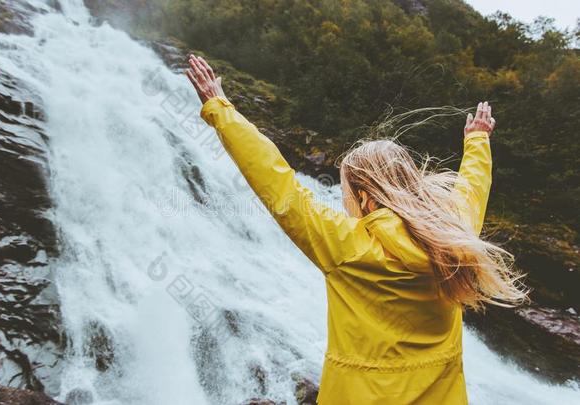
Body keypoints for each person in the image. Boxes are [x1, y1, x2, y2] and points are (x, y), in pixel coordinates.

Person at [185, 54, 527, 405]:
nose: (344, 201)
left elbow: (277, 182)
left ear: (365, 198)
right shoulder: (452, 233)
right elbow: (472, 187)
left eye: (347, 192)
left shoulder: (346, 245)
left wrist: (219, 108)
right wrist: (478, 140)